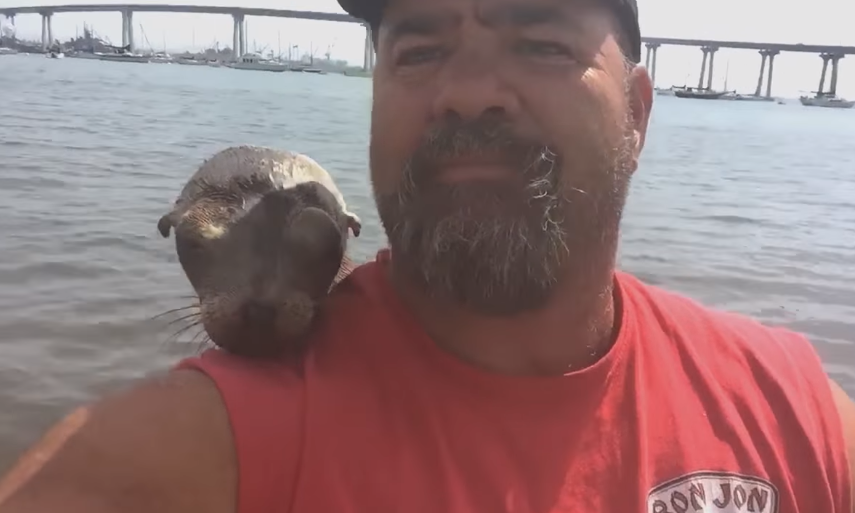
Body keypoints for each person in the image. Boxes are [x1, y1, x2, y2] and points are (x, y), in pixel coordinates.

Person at [1, 0, 853, 510]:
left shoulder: (793, 411)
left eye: (538, 39)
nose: (467, 89)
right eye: (418, 48)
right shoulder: (194, 448)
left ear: (637, 112)